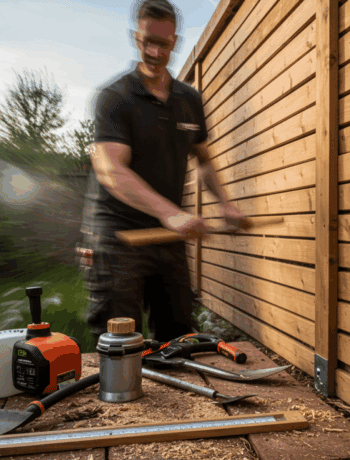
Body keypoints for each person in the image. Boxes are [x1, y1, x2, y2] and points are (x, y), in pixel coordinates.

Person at [80, 0, 246, 342]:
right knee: (120, 343)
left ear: (175, 42)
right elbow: (111, 170)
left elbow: (204, 160)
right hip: (118, 236)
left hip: (167, 235)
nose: (155, 52)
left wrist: (225, 204)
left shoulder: (188, 100)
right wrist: (171, 213)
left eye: (164, 44)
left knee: (177, 336)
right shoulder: (115, 97)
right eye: (147, 42)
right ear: (135, 38)